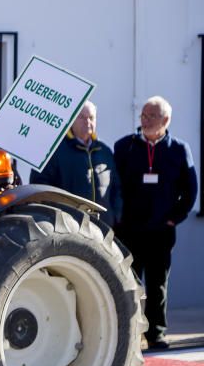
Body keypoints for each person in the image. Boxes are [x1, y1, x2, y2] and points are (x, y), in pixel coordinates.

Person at [114, 96, 198, 350]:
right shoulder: (125, 147)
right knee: (127, 283)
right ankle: (126, 334)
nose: (145, 120)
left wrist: (175, 218)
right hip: (129, 229)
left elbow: (190, 189)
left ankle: (156, 334)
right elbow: (115, 186)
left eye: (151, 116)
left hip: (161, 231)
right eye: (143, 115)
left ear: (165, 120)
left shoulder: (178, 150)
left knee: (157, 284)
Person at [30, 100, 122, 226]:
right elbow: (41, 186)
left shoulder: (104, 151)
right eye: (82, 117)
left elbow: (116, 188)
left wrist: (115, 215)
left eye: (91, 118)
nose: (87, 122)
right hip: (70, 228)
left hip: (103, 228)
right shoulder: (54, 151)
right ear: (71, 120)